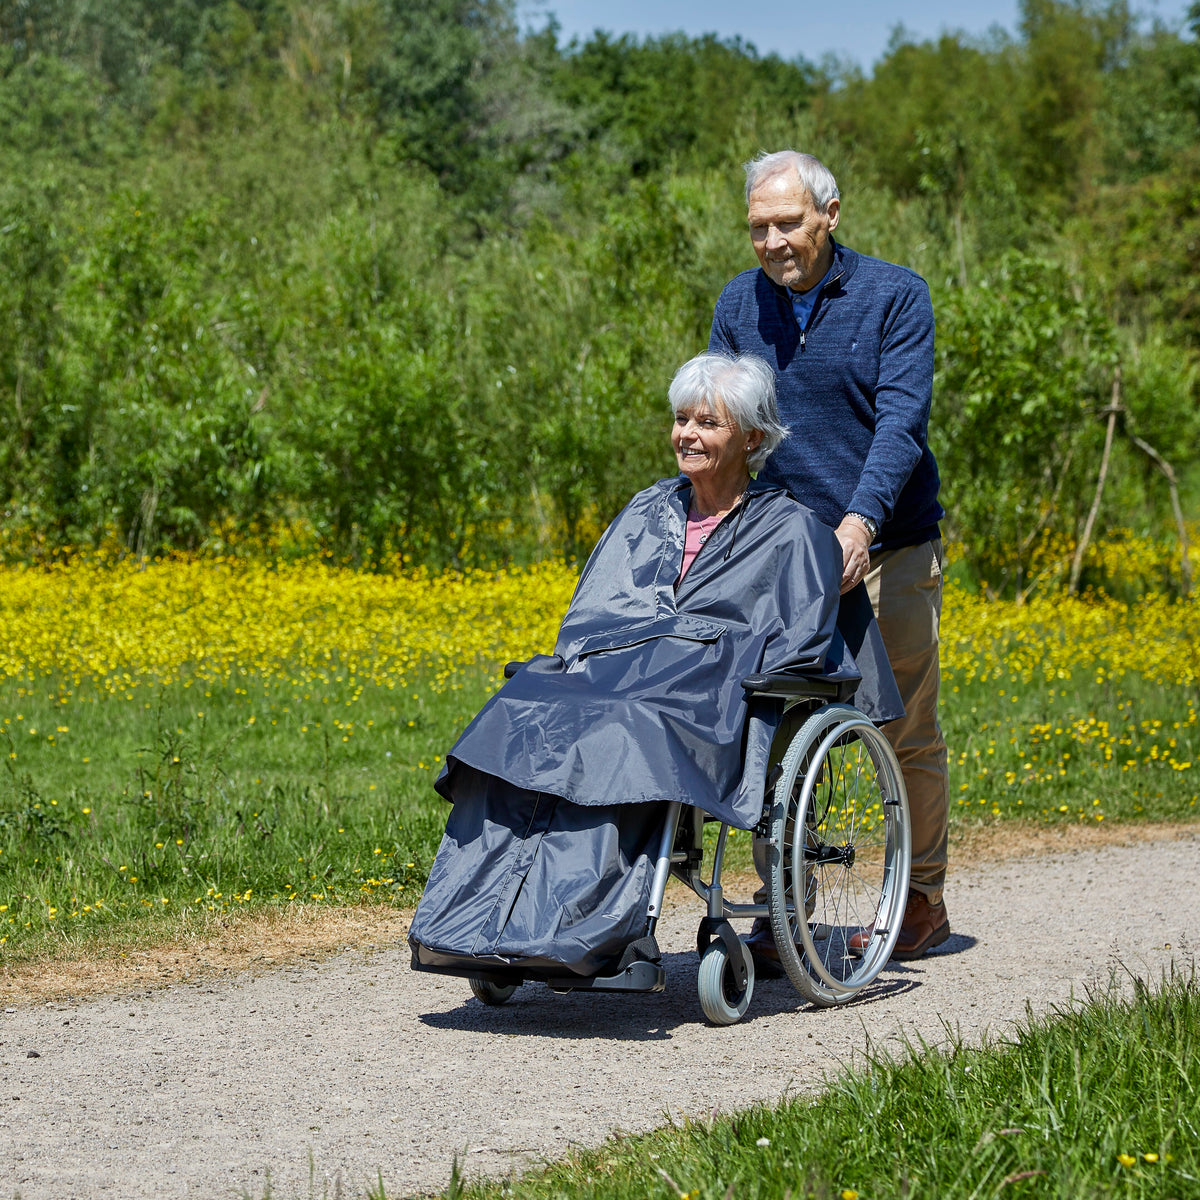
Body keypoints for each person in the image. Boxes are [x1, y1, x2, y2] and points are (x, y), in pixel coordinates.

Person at [409, 352, 900, 979]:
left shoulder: (792, 529)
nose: (686, 435)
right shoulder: (648, 510)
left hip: (706, 696)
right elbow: (588, 617)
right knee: (524, 705)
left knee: (629, 722)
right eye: (680, 420)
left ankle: (582, 929)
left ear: (751, 438)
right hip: (619, 672)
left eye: (707, 423)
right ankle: (478, 925)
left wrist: (697, 648)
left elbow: (797, 645)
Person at [710, 149, 950, 964]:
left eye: (788, 223)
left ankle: (920, 899)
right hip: (783, 548)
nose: (773, 241)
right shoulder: (740, 305)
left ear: (831, 214)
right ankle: (785, 906)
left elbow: (900, 425)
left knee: (901, 720)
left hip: (886, 540)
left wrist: (859, 525)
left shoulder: (893, 295)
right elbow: (726, 421)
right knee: (772, 723)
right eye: (758, 228)